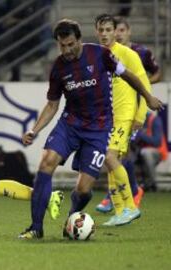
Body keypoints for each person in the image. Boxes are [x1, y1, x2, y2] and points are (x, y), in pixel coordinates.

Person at [18, 19, 162, 239]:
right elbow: (52, 104)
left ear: (79, 40)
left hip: (98, 130)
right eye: (61, 45)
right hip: (70, 125)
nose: (66, 50)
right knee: (46, 162)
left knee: (84, 190)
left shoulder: (100, 55)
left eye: (70, 44)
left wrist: (148, 97)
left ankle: (72, 218)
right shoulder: (58, 67)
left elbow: (129, 75)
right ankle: (36, 227)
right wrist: (35, 130)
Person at [96, 16, 161, 212]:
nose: (105, 34)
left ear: (116, 31)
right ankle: (118, 209)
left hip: (126, 116)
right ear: (96, 31)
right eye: (102, 30)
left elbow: (145, 84)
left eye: (109, 30)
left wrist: (140, 117)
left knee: (111, 157)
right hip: (109, 118)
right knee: (113, 161)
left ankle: (130, 205)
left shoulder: (129, 54)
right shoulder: (100, 54)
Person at [115, 16, 161, 83]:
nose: (118, 34)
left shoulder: (143, 52)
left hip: (137, 93)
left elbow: (157, 74)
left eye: (122, 30)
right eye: (115, 31)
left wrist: (143, 84)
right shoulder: (107, 53)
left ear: (129, 31)